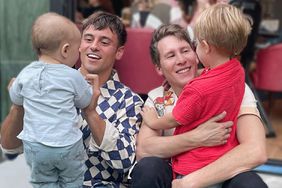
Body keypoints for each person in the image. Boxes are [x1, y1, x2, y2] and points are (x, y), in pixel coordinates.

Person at [1, 11, 144, 187]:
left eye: (104, 42)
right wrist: (18, 106)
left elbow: (124, 161)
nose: (94, 46)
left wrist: (91, 114)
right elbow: (9, 146)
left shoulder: (128, 100)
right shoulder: (44, 82)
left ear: (119, 52)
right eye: (88, 39)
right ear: (78, 45)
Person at [130, 25, 267, 188]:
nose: (181, 60)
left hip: (221, 177)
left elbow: (255, 150)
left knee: (250, 184)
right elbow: (145, 149)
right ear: (159, 68)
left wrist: (189, 182)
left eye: (185, 51)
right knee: (148, 168)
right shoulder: (157, 97)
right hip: (176, 174)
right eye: (170, 55)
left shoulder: (232, 86)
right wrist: (196, 138)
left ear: (196, 54)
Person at [8, 12, 95, 187]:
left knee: (42, 182)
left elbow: (16, 98)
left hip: (36, 146)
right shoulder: (72, 76)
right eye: (76, 49)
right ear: (65, 50)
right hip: (67, 145)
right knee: (72, 180)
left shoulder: (26, 73)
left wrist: (12, 88)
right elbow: (85, 102)